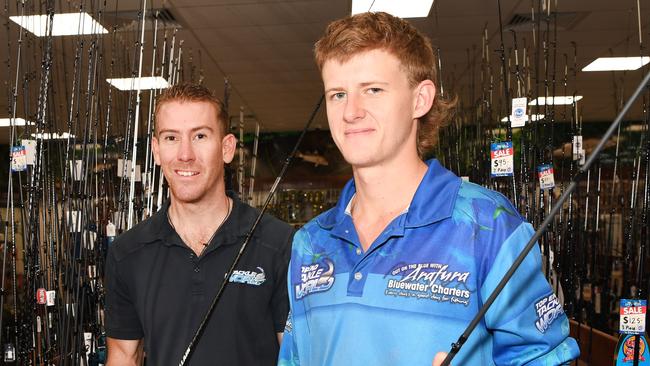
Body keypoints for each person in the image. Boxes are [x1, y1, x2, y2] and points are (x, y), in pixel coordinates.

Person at [278, 12, 580, 366]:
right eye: (337, 94)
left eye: (372, 90)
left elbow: (545, 357)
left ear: (420, 99)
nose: (351, 112)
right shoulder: (311, 242)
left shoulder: (487, 226)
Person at [105, 83, 294, 365]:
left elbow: (295, 354)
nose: (185, 155)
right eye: (171, 138)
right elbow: (123, 356)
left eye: (200, 136)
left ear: (226, 148)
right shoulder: (127, 253)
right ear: (156, 151)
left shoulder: (279, 243)